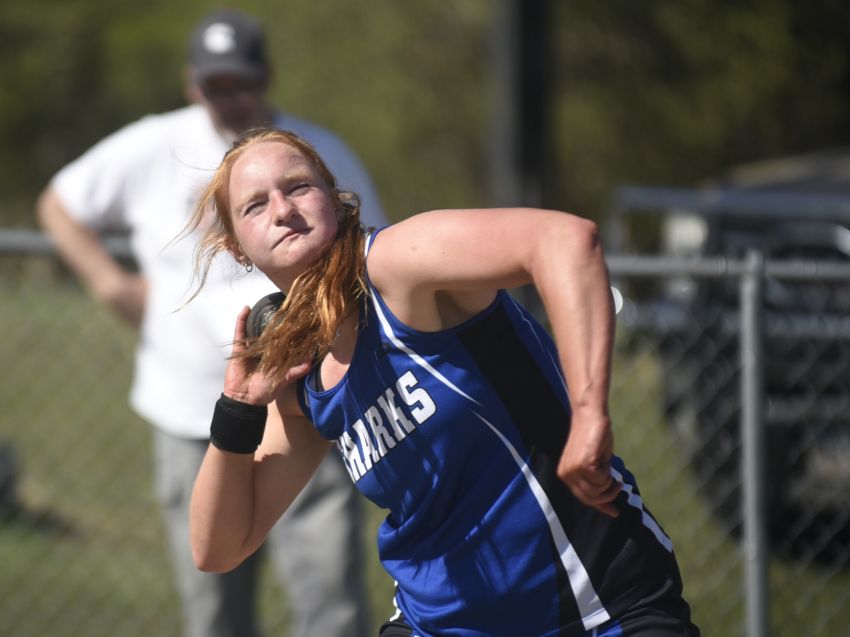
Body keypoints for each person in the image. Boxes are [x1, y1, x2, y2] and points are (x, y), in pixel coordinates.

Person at [186, 127, 701, 637]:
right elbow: (219, 548)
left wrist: (590, 414)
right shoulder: (303, 374)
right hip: (436, 625)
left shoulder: (398, 268)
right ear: (237, 249)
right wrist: (240, 407)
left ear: (334, 199)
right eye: (255, 205)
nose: (282, 209)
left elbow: (566, 239)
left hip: (595, 607)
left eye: (298, 186)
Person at [36, 10, 382, 637]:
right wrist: (111, 284)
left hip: (304, 415)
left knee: (329, 600)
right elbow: (59, 201)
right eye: (216, 84)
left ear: (266, 77)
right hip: (188, 412)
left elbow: (370, 255)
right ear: (193, 84)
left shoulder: (318, 151)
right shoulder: (153, 144)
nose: (232, 96)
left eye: (242, 82)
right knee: (213, 607)